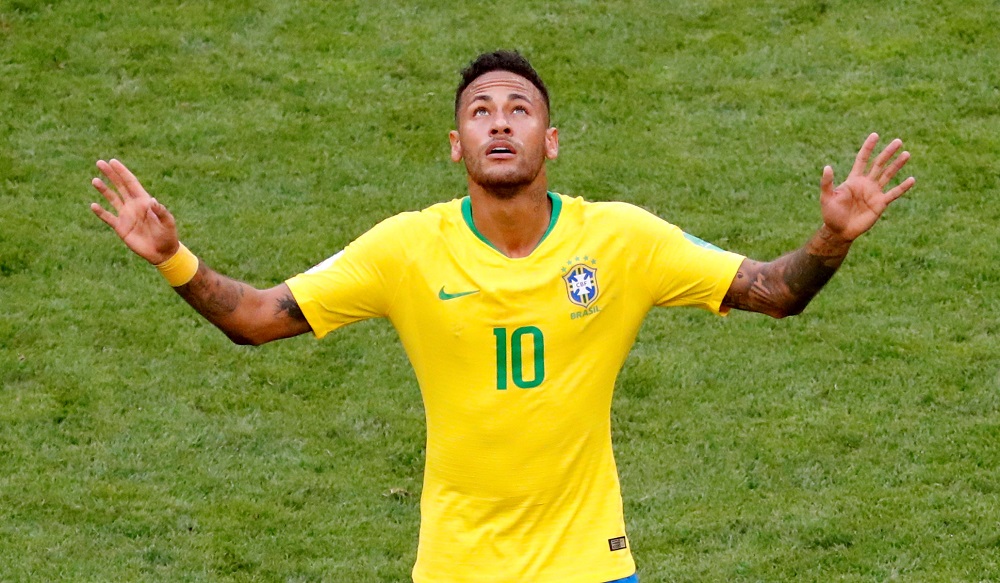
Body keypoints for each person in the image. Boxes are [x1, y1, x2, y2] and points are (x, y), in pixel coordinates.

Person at [90, 50, 915, 583]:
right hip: (457, 566)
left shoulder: (621, 239)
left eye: (518, 110)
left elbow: (774, 291)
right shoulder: (408, 248)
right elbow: (257, 315)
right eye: (480, 111)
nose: (499, 122)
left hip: (590, 564)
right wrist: (174, 257)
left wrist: (832, 238)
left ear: (550, 140)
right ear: (456, 144)